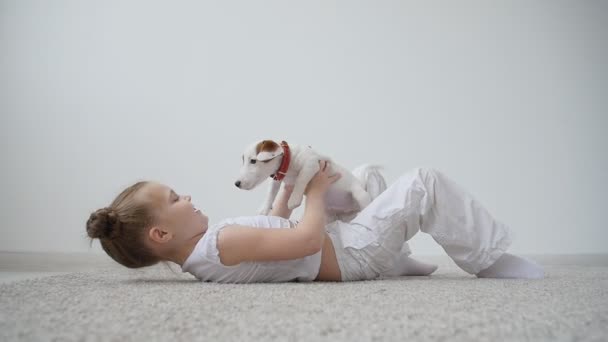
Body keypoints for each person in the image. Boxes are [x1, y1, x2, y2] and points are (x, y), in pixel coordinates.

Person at [86, 162, 544, 283]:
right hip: (352, 253)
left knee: (367, 175)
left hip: (346, 246)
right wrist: (316, 194)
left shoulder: (208, 252)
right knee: (423, 181)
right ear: (161, 234)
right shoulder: (221, 242)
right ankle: (487, 258)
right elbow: (305, 241)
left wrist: (287, 192)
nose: (185, 196)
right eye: (173, 198)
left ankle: (399, 260)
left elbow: (275, 233)